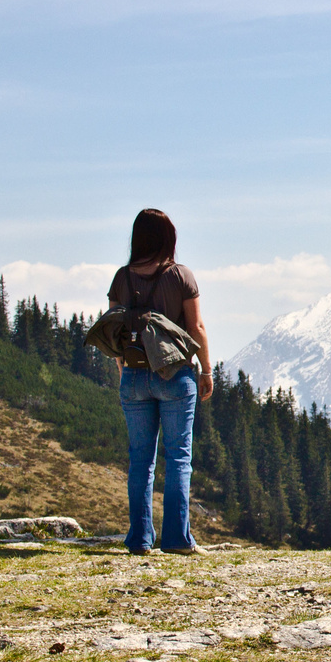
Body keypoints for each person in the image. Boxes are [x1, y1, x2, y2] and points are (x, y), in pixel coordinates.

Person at [108, 208, 212, 555]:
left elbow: (114, 330)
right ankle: (177, 539)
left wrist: (123, 368)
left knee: (140, 459)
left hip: (134, 376)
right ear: (169, 238)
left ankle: (139, 540)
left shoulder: (121, 279)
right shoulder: (181, 275)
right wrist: (207, 370)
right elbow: (196, 328)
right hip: (174, 375)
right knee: (179, 457)